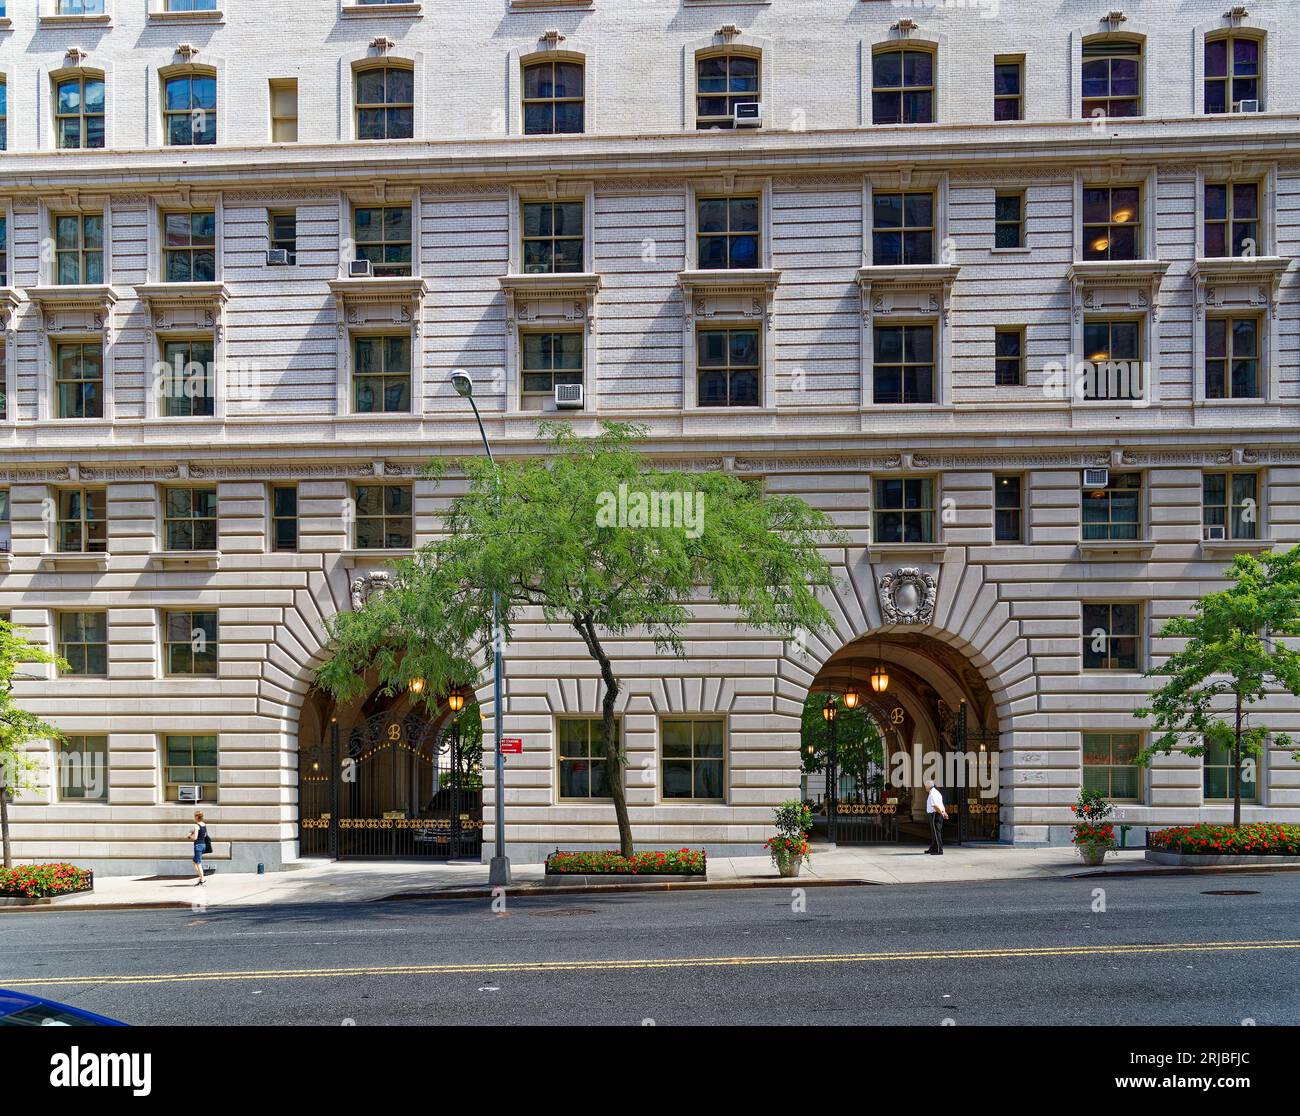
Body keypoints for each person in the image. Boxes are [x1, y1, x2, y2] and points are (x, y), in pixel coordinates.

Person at [924, 781, 948, 855]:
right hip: (937, 814)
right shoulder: (936, 792)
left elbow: (935, 806)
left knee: (936, 833)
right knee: (934, 833)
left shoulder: (932, 794)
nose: (925, 788)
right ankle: (933, 848)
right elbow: (941, 804)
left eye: (925, 786)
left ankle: (939, 850)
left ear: (928, 787)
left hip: (935, 814)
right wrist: (944, 813)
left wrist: (942, 814)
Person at [188, 811, 209, 885]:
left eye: (194, 816)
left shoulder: (196, 826)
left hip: (198, 846)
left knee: (198, 863)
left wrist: (190, 836)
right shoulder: (204, 824)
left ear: (197, 817)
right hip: (203, 845)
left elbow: (195, 837)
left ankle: (202, 879)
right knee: (194, 861)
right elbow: (205, 835)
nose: (194, 818)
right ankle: (201, 877)